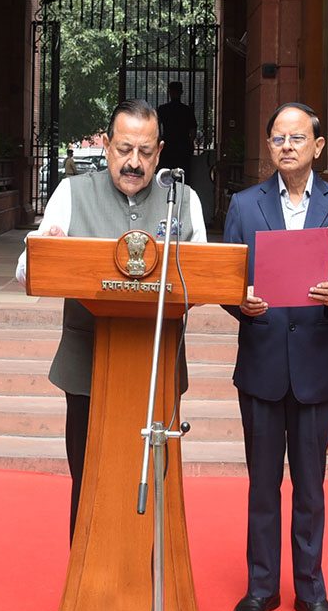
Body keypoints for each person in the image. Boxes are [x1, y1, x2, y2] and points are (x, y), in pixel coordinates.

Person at [16, 98, 206, 535]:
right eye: (124, 149)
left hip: (156, 365)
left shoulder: (184, 200)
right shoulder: (71, 193)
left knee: (153, 483)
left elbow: (204, 274)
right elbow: (28, 271)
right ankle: (86, 576)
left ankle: (149, 573)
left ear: (159, 152)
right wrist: (47, 250)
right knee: (89, 482)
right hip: (87, 366)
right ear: (105, 145)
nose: (134, 162)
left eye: (145, 151)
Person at [222, 103, 328, 611]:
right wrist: (241, 303)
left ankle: (311, 591)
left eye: (297, 137)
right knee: (262, 486)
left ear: (318, 146)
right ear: (269, 146)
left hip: (315, 369)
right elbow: (225, 277)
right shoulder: (244, 205)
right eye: (278, 138)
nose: (287, 145)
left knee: (310, 488)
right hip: (262, 364)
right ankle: (261, 587)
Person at [156, 81, 199, 176]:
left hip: (167, 146)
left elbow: (156, 126)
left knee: (165, 175)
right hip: (183, 147)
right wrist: (190, 143)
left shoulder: (163, 109)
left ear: (169, 92)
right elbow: (193, 130)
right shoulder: (187, 110)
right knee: (182, 175)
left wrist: (158, 141)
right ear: (181, 92)